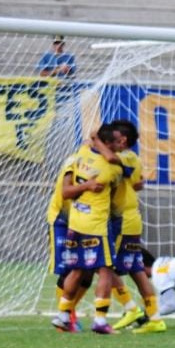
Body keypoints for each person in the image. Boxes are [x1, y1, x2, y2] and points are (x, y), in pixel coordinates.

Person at [52, 124, 124, 334]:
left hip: (75, 222)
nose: (122, 144)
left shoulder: (80, 155)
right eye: (118, 141)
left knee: (77, 269)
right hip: (96, 225)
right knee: (105, 270)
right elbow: (123, 176)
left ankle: (62, 315)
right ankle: (100, 320)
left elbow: (66, 190)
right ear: (107, 144)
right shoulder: (112, 167)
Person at [107, 120, 166, 334]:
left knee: (103, 266)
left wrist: (93, 143)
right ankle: (155, 317)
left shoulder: (125, 157)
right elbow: (135, 183)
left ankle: (130, 307)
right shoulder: (131, 159)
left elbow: (111, 160)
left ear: (121, 140)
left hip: (123, 219)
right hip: (128, 218)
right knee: (136, 270)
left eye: (110, 139)